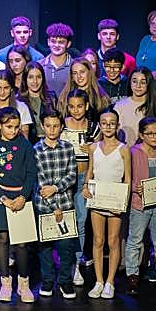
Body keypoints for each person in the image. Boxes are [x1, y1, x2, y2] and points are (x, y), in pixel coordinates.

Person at [0, 106, 38, 303]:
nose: (13, 131)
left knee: (22, 243)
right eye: (9, 127)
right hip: (0, 199)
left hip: (21, 197)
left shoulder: (25, 145)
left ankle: (24, 283)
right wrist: (3, 199)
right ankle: (5, 283)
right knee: (3, 239)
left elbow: (31, 173)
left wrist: (23, 197)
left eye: (16, 127)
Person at [83, 108, 131, 299]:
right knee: (98, 240)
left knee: (113, 241)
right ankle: (99, 281)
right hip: (97, 198)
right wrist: (85, 186)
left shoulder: (123, 149)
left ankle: (110, 281)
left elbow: (128, 178)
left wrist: (122, 202)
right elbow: (90, 171)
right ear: (100, 125)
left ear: (117, 125)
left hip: (115, 201)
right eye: (104, 123)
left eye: (112, 123)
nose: (108, 126)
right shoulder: (94, 148)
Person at [126, 118, 156, 295]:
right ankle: (132, 276)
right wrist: (135, 188)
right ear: (141, 135)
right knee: (135, 240)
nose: (154, 137)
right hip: (140, 204)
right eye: (150, 133)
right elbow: (126, 177)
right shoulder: (133, 152)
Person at [32, 109, 79, 299]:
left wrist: (55, 188)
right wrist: (54, 206)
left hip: (66, 205)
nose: (52, 130)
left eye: (56, 126)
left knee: (66, 248)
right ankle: (48, 280)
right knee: (45, 248)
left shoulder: (67, 148)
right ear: (43, 126)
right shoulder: (36, 150)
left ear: (61, 127)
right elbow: (41, 182)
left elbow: (72, 175)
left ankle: (65, 281)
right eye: (48, 126)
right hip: (45, 207)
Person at [63, 89, 100, 283]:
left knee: (81, 221)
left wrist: (92, 150)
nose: (76, 110)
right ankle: (66, 262)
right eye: (72, 106)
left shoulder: (93, 128)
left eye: (79, 106)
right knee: (64, 221)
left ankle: (76, 264)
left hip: (84, 179)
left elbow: (101, 155)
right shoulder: (62, 126)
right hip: (65, 180)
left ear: (86, 106)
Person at [114, 67, 156, 146]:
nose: (138, 86)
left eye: (143, 82)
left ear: (149, 84)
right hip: (125, 151)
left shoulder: (155, 105)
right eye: (134, 81)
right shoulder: (119, 106)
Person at [18, 63, 56, 143]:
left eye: (38, 77)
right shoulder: (18, 101)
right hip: (28, 143)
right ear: (25, 79)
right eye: (31, 77)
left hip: (49, 142)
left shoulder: (51, 98)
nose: (35, 81)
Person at [39, 23, 75, 96]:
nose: (56, 45)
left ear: (68, 44)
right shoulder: (40, 65)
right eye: (53, 41)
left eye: (61, 42)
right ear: (48, 42)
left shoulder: (74, 66)